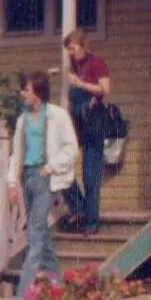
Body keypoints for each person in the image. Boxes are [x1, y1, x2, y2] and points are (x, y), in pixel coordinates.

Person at [6, 70, 78, 300]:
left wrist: (51, 166)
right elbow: (16, 153)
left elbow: (71, 148)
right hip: (27, 178)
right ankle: (61, 287)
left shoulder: (57, 116)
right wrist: (12, 183)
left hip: (45, 178)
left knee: (35, 234)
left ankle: (22, 296)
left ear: (36, 91)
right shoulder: (23, 119)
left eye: (25, 89)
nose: (22, 94)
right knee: (41, 237)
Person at [63, 28, 111, 233]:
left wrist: (80, 83)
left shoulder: (97, 63)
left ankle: (91, 222)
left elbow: (105, 90)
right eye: (68, 50)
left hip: (93, 121)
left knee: (90, 174)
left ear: (82, 46)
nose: (70, 53)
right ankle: (80, 207)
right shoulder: (74, 65)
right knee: (61, 165)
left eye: (72, 49)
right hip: (75, 121)